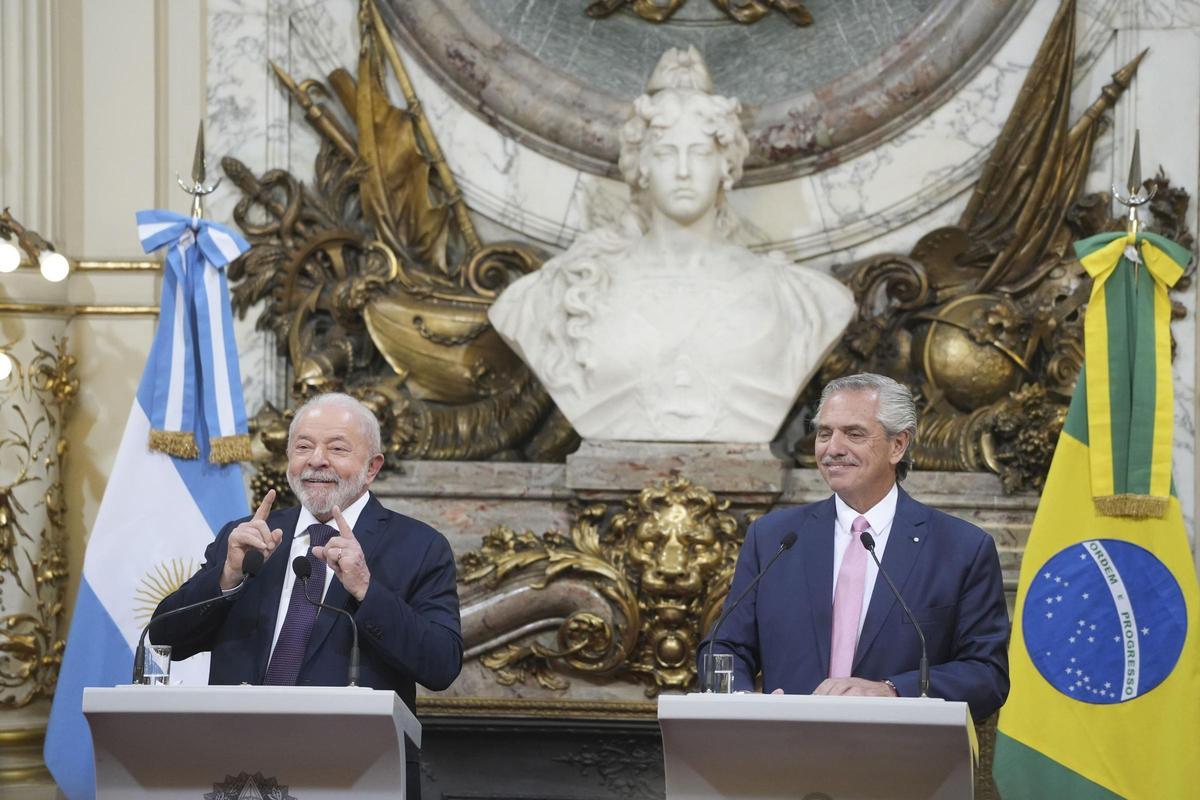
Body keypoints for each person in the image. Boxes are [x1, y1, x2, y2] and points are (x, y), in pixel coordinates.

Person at [488, 46, 853, 443]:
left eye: (699, 153)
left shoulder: (802, 300)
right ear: (642, 165)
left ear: (725, 165)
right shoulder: (564, 291)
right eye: (665, 153)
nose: (682, 171)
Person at [151, 392, 462, 799]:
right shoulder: (247, 536)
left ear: (372, 468)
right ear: (288, 460)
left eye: (337, 448)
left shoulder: (419, 546)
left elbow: (441, 664)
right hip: (238, 771)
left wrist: (366, 589)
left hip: (353, 775)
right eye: (303, 447)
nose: (317, 460)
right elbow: (164, 639)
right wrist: (227, 575)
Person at [700, 373, 1009, 720]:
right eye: (824, 433)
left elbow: (987, 675)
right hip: (787, 745)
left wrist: (893, 690)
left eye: (854, 433)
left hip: (899, 747)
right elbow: (723, 647)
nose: (833, 448)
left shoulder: (961, 548)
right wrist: (742, 703)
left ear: (898, 445)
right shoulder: (774, 538)